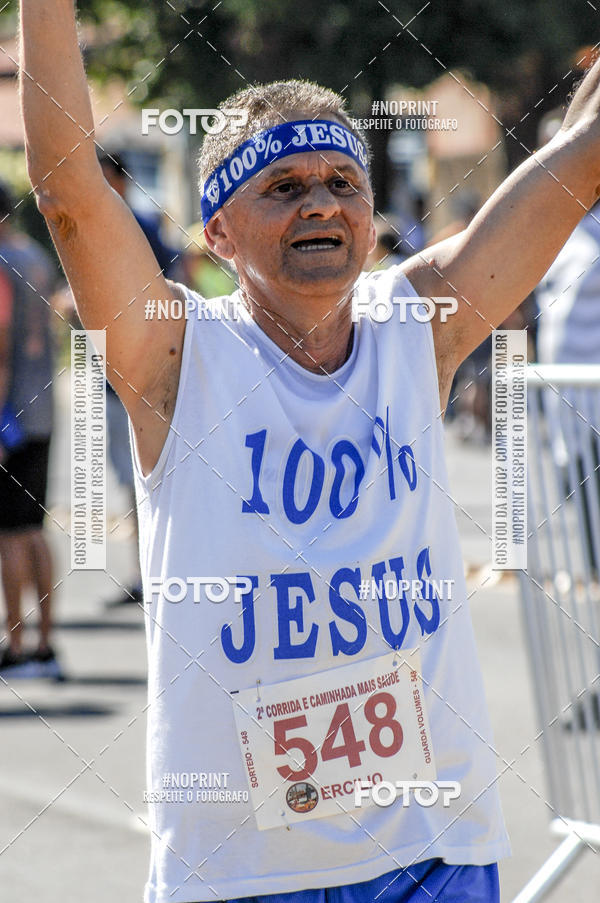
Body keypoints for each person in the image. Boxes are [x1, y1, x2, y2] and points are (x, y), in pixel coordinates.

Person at [20, 3, 600, 900]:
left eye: (343, 182)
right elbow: (66, 189)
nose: (323, 200)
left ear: (370, 217)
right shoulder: (176, 358)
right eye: (283, 187)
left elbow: (580, 164)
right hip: (241, 874)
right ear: (217, 233)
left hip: (434, 856)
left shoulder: (421, 325)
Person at [0, 181, 62, 679]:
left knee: (11, 534)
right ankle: (45, 640)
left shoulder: (2, 262)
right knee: (35, 529)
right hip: (41, 409)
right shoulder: (35, 256)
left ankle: (15, 645)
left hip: (10, 417)